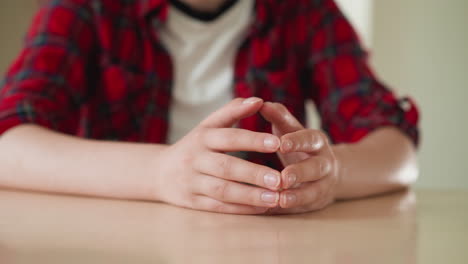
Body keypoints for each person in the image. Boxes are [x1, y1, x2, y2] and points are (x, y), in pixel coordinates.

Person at [0, 0, 419, 214]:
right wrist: (160, 174)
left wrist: (332, 174)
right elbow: (8, 144)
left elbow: (395, 146)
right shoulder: (85, 8)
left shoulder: (306, 11)